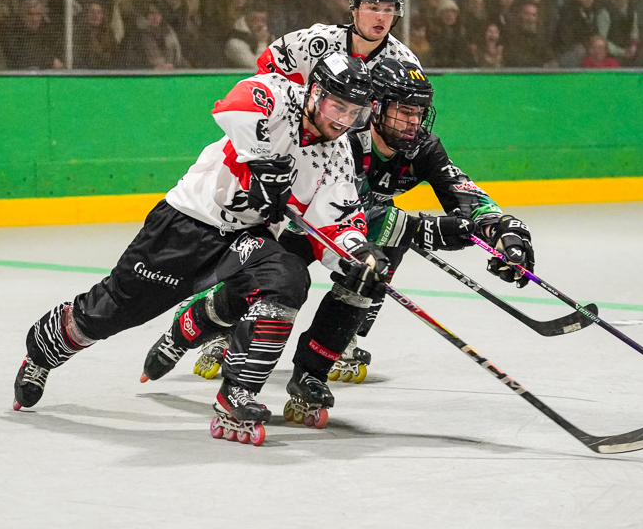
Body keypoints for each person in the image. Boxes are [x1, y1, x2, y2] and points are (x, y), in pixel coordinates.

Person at [14, 52, 389, 445]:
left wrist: (358, 252)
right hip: (188, 223)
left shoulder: (340, 153)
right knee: (110, 313)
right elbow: (237, 103)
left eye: (355, 112)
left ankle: (236, 393)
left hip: (244, 237)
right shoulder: (284, 96)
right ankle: (42, 349)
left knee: (288, 278)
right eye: (338, 106)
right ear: (315, 93)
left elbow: (336, 217)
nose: (344, 120)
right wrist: (264, 161)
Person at [142, 58, 536, 402]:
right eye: (403, 112)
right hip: (297, 228)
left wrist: (504, 231)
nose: (413, 123)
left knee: (370, 274)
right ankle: (189, 327)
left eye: (419, 113)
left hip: (351, 237)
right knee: (252, 295)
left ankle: (313, 370)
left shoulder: (423, 149)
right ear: (376, 107)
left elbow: (462, 192)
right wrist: (424, 229)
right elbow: (342, 207)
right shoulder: (343, 137)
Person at [257, 0, 419, 83]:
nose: (381, 17)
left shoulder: (403, 61)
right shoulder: (319, 41)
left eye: (388, 10)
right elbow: (268, 70)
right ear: (354, 9)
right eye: (373, 8)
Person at [597, 0, 639, 66]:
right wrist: (621, 52)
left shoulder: (632, 12)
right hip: (611, 52)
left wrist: (633, 47)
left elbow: (635, 33)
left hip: (629, 50)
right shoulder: (605, 13)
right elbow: (602, 40)